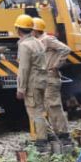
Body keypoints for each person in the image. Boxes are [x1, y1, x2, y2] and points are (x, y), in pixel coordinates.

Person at [31, 16, 73, 153]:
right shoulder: (36, 41)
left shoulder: (48, 39)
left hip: (50, 77)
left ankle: (63, 135)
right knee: (41, 107)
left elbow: (65, 49)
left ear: (35, 30)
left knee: (53, 106)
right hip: (40, 77)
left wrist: (56, 65)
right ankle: (51, 135)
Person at [14, 13, 49, 152]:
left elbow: (24, 68)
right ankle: (47, 136)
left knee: (35, 112)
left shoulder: (25, 46)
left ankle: (41, 142)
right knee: (41, 109)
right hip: (42, 81)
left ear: (18, 29)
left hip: (32, 83)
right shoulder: (38, 42)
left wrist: (21, 88)